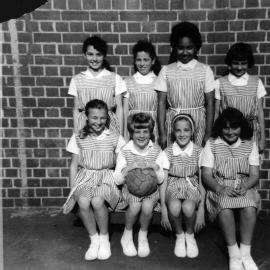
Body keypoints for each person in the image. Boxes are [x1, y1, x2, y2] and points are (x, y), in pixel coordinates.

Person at [63, 99, 125, 261]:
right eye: (94, 118)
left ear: (107, 118)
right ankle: (94, 239)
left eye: (102, 118)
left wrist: (120, 179)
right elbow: (73, 165)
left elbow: (122, 163)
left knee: (97, 201)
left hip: (106, 177)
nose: (99, 122)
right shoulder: (78, 137)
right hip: (86, 177)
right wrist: (73, 189)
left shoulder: (115, 137)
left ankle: (105, 240)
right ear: (87, 118)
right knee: (83, 202)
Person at [201, 108, 260, 270]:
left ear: (241, 127)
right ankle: (234, 254)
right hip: (219, 185)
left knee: (249, 207)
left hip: (243, 184)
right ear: (220, 128)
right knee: (225, 207)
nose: (230, 132)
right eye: (226, 128)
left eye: (234, 127)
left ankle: (246, 253)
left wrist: (245, 186)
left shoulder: (249, 145)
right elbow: (206, 174)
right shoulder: (212, 144)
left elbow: (254, 174)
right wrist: (220, 188)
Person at [114, 113, 169, 257]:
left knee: (147, 206)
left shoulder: (156, 151)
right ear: (131, 133)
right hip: (131, 191)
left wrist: (155, 168)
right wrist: (128, 168)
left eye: (146, 131)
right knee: (136, 205)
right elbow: (118, 180)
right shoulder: (125, 151)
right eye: (137, 131)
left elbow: (161, 179)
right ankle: (127, 233)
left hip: (150, 191)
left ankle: (143, 236)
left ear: (151, 133)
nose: (142, 135)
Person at [155, 21, 215, 149]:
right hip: (174, 123)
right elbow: (161, 103)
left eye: (189, 48)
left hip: (199, 123)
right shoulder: (166, 70)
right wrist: (162, 133)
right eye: (181, 48)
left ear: (196, 47)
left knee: (197, 159)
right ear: (174, 47)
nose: (185, 52)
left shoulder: (205, 70)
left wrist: (208, 133)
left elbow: (210, 103)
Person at [160, 114, 205, 258]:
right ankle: (179, 235)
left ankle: (189, 235)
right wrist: (163, 210)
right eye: (178, 130)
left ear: (192, 132)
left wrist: (202, 210)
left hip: (191, 184)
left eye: (186, 130)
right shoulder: (167, 152)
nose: (182, 134)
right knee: (174, 206)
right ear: (173, 131)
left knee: (188, 207)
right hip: (173, 184)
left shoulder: (199, 151)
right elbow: (163, 182)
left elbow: (202, 181)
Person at [68, 35, 127, 136]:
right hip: (85, 129)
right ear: (85, 55)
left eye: (98, 54)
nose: (94, 59)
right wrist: (76, 134)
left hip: (109, 129)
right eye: (90, 54)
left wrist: (120, 136)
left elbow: (119, 109)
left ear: (104, 55)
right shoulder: (77, 79)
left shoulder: (115, 78)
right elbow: (76, 111)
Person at [214, 42, 266, 153]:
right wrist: (215, 135)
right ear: (229, 63)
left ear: (249, 63)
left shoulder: (256, 82)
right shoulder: (220, 83)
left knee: (250, 166)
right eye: (235, 63)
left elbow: (260, 112)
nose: (239, 67)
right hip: (228, 133)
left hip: (251, 134)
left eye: (243, 63)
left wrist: (263, 138)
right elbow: (216, 113)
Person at [123, 40, 161, 142]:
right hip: (133, 130)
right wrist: (125, 136)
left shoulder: (159, 81)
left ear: (153, 61)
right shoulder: (127, 82)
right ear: (135, 61)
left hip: (153, 130)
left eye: (146, 60)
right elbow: (125, 111)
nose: (142, 63)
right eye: (139, 60)